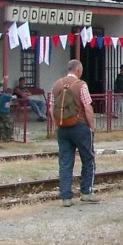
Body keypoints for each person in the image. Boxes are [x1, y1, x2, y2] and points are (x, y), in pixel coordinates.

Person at [48, 59, 99, 207]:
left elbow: (51, 108)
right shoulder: (81, 85)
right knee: (88, 159)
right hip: (80, 126)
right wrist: (92, 126)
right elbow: (88, 107)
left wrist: (57, 124)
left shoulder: (56, 85)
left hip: (63, 128)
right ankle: (86, 192)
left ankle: (66, 197)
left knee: (65, 162)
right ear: (78, 70)